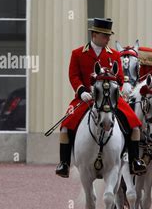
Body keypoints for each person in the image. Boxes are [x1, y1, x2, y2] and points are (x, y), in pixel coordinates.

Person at [55, 18, 146, 178]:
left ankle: (134, 161)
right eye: (105, 36)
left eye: (109, 36)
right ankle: (64, 163)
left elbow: (119, 77)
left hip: (110, 98)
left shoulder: (115, 55)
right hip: (86, 98)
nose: (108, 39)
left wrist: (121, 84)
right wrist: (81, 90)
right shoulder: (77, 53)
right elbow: (73, 75)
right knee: (65, 125)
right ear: (94, 34)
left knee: (135, 125)